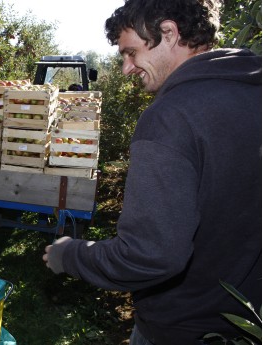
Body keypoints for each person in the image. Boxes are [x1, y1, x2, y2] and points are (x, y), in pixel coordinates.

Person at [43, 0, 261, 344]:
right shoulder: (253, 91)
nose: (127, 68)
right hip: (249, 321)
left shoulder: (172, 116)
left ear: (169, 33)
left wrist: (70, 254)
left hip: (183, 327)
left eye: (132, 53)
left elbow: (150, 255)